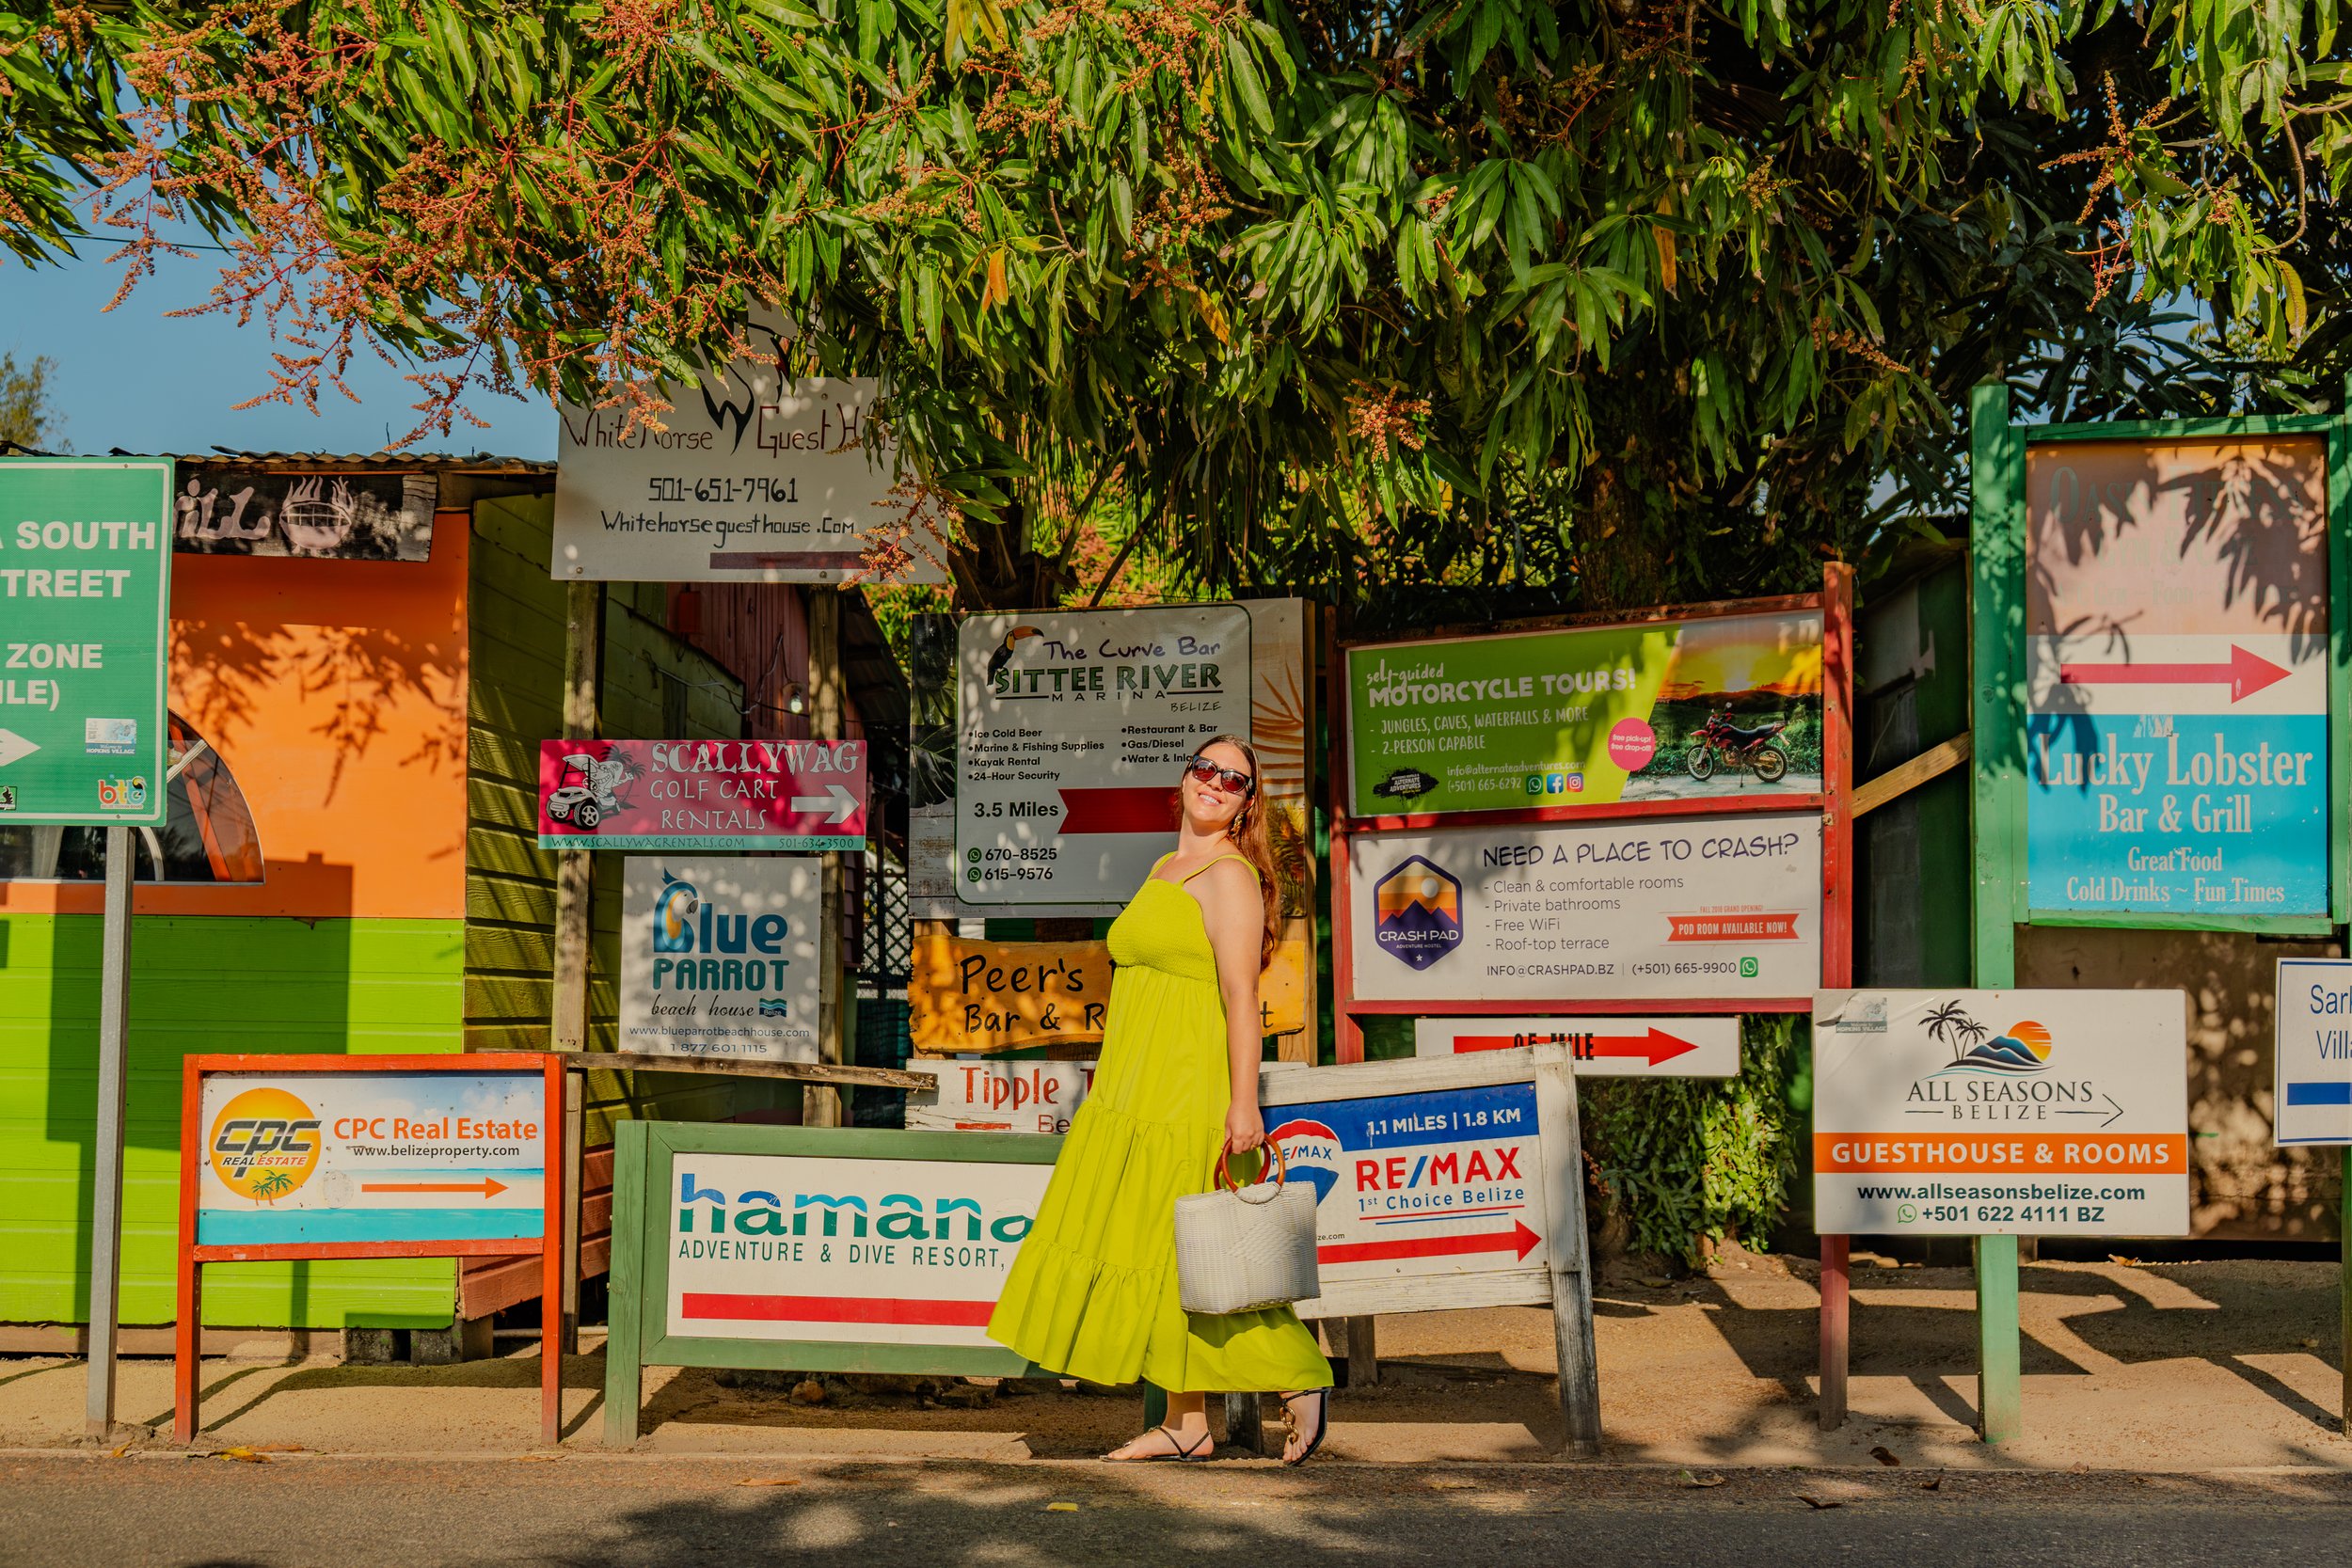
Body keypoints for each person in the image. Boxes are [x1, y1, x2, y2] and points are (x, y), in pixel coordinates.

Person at [986, 735, 1333, 1463]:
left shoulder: (1231, 877)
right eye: (1205, 767)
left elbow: (1243, 1001)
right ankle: (1188, 1423)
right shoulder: (1166, 866)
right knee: (1158, 1249)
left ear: (1245, 804)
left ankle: (1299, 1379)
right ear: (1183, 779)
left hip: (1183, 1087)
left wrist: (1245, 1107)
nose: (1215, 782)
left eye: (1234, 779)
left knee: (1195, 1252)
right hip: (1132, 1088)